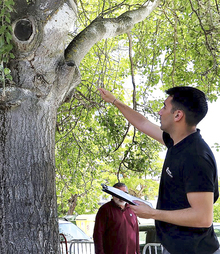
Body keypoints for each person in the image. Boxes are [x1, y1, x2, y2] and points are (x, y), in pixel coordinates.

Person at [98, 86, 219, 254]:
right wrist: (114, 101)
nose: (159, 112)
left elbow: (203, 218)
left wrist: (152, 213)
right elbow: (142, 123)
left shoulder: (196, 157)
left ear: (178, 115)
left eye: (164, 107)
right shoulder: (175, 141)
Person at [93, 182, 140, 254]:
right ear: (112, 194)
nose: (122, 197)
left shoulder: (132, 209)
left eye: (125, 193)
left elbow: (136, 233)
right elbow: (98, 234)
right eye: (119, 194)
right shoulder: (105, 209)